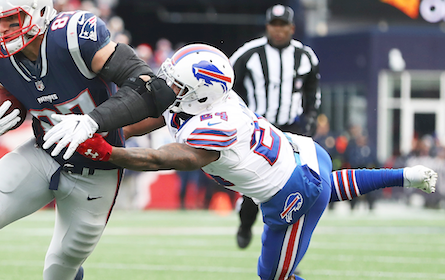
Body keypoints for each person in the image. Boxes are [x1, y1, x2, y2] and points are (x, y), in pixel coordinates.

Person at [73, 43, 438, 280]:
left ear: (200, 93)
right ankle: (405, 175)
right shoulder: (207, 101)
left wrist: (110, 153)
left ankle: (403, 176)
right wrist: (108, 130)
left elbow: (162, 158)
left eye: (177, 84)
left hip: (292, 191)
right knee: (330, 185)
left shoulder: (214, 124)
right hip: (308, 154)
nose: (169, 88)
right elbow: (155, 114)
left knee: (274, 277)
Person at [0, 0, 175, 280]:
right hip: (43, 154)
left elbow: (150, 88)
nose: (3, 30)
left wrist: (93, 121)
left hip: (97, 169)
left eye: (13, 20)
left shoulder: (75, 37)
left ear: (39, 12)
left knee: (60, 268)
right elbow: (25, 96)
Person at [229, 4, 321, 249]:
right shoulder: (249, 53)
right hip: (259, 128)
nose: (278, 30)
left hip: (292, 128)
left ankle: (286, 245)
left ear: (292, 28)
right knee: (253, 181)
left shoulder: (305, 56)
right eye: (274, 25)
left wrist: (311, 119)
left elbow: (313, 92)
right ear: (267, 27)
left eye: (283, 25)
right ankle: (246, 222)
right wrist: (239, 116)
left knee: (293, 186)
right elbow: (226, 84)